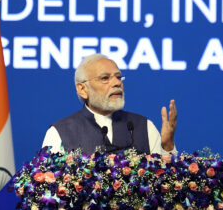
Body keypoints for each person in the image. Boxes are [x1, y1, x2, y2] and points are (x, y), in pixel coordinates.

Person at [42, 54, 177, 155]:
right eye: (105, 78)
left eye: (118, 77)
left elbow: (166, 185)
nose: (117, 83)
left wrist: (167, 146)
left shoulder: (144, 126)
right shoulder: (60, 133)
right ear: (82, 89)